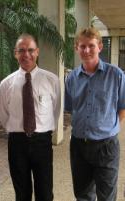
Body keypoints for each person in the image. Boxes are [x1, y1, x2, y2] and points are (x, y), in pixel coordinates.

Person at [65, 27, 125, 201]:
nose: (87, 50)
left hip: (106, 146)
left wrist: (106, 127)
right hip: (79, 146)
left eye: (91, 45)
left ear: (99, 46)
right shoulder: (72, 78)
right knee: (83, 195)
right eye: (82, 46)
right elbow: (71, 108)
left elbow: (122, 107)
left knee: (106, 196)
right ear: (76, 48)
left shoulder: (116, 75)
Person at [0, 33, 61, 201]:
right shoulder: (6, 84)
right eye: (22, 50)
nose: (26, 54)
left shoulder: (51, 80)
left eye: (31, 50)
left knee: (45, 193)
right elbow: (4, 115)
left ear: (37, 52)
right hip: (17, 143)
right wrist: (17, 130)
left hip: (42, 142)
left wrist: (44, 129)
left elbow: (55, 110)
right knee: (22, 193)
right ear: (15, 53)